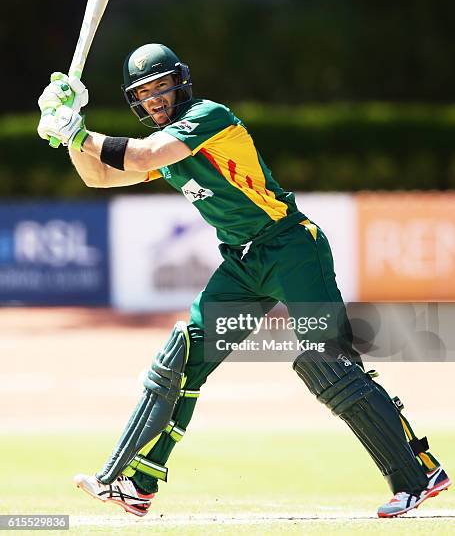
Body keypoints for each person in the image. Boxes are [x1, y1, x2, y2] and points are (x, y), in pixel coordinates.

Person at [37, 43, 450, 519]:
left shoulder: (208, 118)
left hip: (291, 246)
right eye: (143, 93)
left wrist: (79, 130)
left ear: (180, 83)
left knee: (328, 364)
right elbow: (100, 179)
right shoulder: (166, 145)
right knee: (183, 354)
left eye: (161, 87)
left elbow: (143, 154)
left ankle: (418, 476)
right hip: (244, 263)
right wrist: (71, 135)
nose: (154, 99)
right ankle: (135, 482)